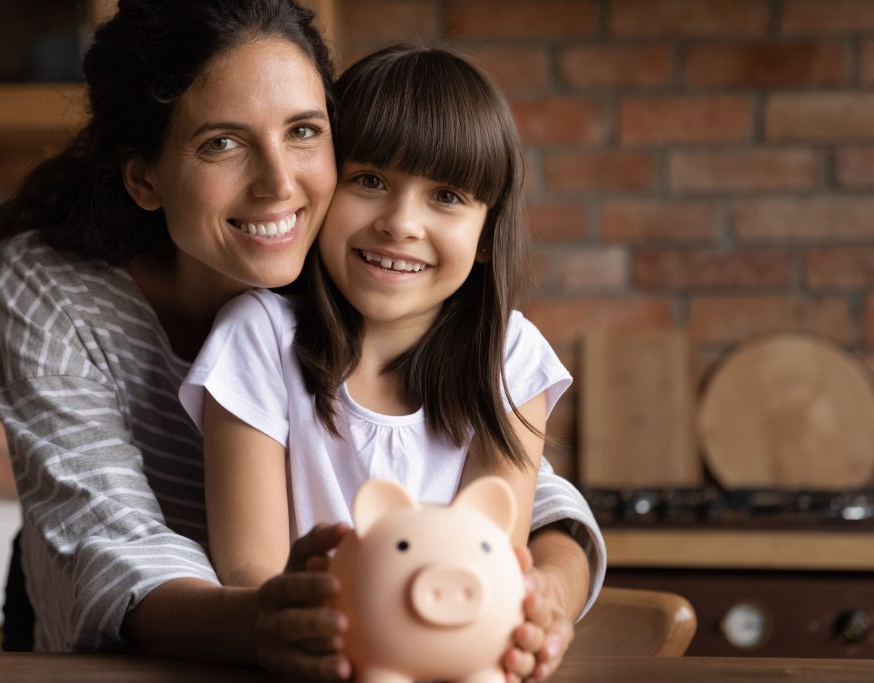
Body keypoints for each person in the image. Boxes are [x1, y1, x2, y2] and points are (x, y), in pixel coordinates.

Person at [0, 1, 603, 680]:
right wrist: (286, 614)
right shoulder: (62, 288)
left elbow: (492, 477)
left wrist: (543, 585)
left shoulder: (353, 269)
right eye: (221, 143)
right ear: (144, 175)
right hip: (128, 643)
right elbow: (111, 540)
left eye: (304, 132)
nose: (280, 185)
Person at [181, 44, 603, 682]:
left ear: (487, 236)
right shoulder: (257, 341)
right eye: (371, 181)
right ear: (324, 188)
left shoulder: (510, 359)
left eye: (447, 196)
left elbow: (494, 555)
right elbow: (252, 575)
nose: (401, 224)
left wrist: (537, 599)